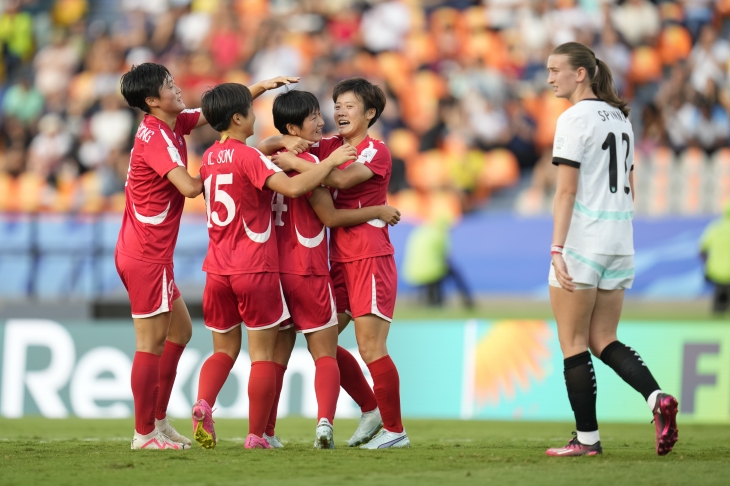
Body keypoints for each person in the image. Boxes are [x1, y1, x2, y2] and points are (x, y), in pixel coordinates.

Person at [116, 63, 296, 450]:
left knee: (180, 331)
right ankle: (144, 433)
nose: (177, 88)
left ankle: (159, 421)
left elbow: (215, 114)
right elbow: (192, 187)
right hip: (145, 252)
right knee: (149, 344)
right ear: (151, 101)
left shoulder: (172, 123)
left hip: (149, 250)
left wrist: (260, 86)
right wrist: (240, 160)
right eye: (168, 85)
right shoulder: (156, 138)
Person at [190, 83, 355, 450]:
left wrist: (274, 141)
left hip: (215, 268)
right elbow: (297, 191)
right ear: (237, 118)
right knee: (268, 356)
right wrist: (326, 161)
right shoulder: (257, 159)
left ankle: (204, 402)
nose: (255, 116)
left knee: (222, 351)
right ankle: (257, 434)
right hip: (260, 268)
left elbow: (258, 154)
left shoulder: (209, 159)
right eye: (250, 109)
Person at [544, 42, 678, 457]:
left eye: (555, 70)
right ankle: (657, 398)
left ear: (580, 73)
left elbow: (565, 192)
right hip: (620, 239)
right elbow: (631, 187)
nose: (549, 78)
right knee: (604, 338)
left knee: (573, 343)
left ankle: (587, 440)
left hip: (584, 238)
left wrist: (557, 247)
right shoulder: (620, 119)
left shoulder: (572, 119)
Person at [265, 78, 409, 449]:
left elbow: (342, 181)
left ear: (370, 113)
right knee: (324, 343)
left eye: (348, 106)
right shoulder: (330, 145)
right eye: (337, 105)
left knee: (370, 346)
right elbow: (263, 146)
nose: (339, 112)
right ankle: (370, 408)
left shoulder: (376, 151)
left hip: (369, 256)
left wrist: (297, 160)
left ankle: (395, 432)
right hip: (337, 258)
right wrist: (284, 141)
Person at [700, 202, 730, 314]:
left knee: (718, 306)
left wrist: (707, 265)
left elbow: (702, 250)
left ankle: (718, 312)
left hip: (716, 272)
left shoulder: (715, 228)